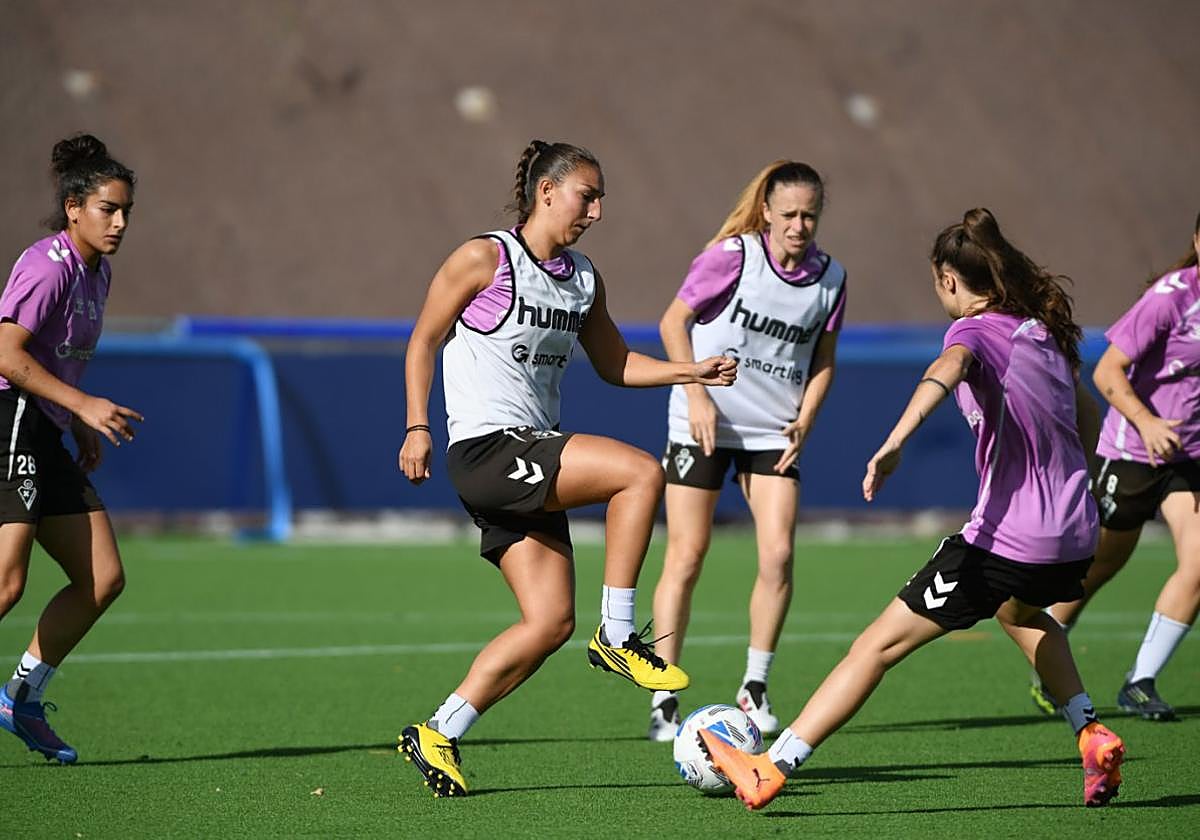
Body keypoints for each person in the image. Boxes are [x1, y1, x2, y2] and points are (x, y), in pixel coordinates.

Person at [699, 208, 1125, 810]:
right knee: (1023, 613)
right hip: (1076, 532)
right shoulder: (1043, 332)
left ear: (950, 280)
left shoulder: (971, 333)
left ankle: (771, 766)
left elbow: (943, 372)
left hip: (1007, 539)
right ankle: (1089, 729)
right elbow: (1088, 417)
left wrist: (896, 440)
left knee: (875, 648)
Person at [396, 140, 737, 797]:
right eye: (589, 194)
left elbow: (616, 365)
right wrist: (417, 426)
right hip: (489, 449)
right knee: (640, 472)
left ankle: (438, 731)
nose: (599, 210)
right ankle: (618, 635)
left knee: (549, 623)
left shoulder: (583, 278)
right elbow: (423, 339)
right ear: (547, 192)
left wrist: (689, 370)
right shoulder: (484, 257)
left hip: (528, 454)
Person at [648, 161, 846, 740]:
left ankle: (755, 685)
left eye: (810, 214)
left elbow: (824, 357)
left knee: (779, 554)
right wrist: (697, 395)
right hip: (701, 420)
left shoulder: (831, 278)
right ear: (766, 211)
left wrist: (808, 415)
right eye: (788, 214)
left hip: (772, 432)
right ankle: (664, 690)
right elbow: (672, 323)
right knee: (687, 554)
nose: (799, 225)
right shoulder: (732, 257)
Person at [0, 134, 142, 764]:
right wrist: (82, 406)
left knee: (102, 578)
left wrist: (73, 416)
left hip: (44, 424)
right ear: (74, 208)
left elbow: (56, 359)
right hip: (7, 417)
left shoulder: (97, 271)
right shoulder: (47, 265)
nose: (119, 222)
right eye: (109, 208)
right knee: (6, 583)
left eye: (126, 211)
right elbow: (6, 354)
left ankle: (20, 700)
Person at [1030, 210, 1200, 722]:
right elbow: (1107, 370)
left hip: (1187, 459)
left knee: (1198, 563)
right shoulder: (1172, 296)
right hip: (1131, 453)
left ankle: (1140, 681)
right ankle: (1046, 665)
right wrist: (1148, 422)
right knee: (1100, 565)